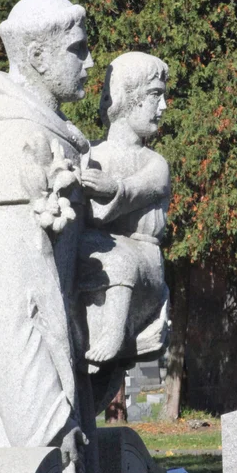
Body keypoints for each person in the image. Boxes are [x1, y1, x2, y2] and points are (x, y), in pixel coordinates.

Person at [0, 0, 93, 473]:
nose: (89, 63)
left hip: (59, 379)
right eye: (77, 51)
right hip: (29, 406)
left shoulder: (51, 135)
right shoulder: (9, 144)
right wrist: (46, 425)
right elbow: (6, 307)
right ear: (38, 56)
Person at [79, 52, 170, 369]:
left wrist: (112, 189)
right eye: (155, 95)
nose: (163, 107)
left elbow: (134, 191)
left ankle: (114, 333)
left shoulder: (155, 164)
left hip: (142, 264)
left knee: (120, 258)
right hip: (99, 255)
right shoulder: (91, 154)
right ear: (125, 97)